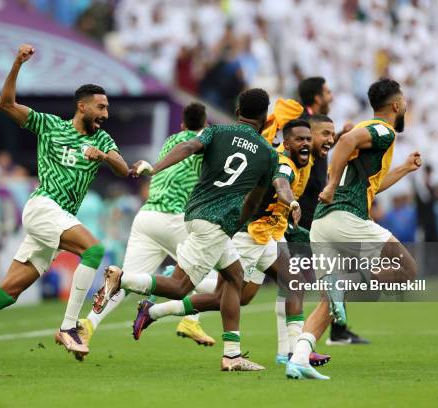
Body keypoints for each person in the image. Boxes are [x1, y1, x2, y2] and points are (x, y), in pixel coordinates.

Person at [0, 44, 130, 375]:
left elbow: (124, 169)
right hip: (43, 206)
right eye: (100, 107)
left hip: (59, 218)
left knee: (7, 293)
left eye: (106, 109)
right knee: (95, 250)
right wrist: (17, 64)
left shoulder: (102, 141)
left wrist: (103, 157)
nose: (105, 114)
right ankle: (70, 326)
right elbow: (5, 104)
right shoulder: (49, 125)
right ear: (82, 106)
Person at [96, 88, 278, 371]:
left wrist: (156, 168)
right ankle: (123, 279)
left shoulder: (215, 132)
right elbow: (254, 201)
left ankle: (232, 355)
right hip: (218, 222)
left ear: (238, 109)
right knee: (181, 286)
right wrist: (234, 225)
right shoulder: (268, 153)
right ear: (265, 117)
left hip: (194, 213)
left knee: (234, 277)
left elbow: (187, 147)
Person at [128, 119, 329, 366]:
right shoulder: (284, 165)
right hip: (249, 236)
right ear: (286, 143)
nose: (306, 143)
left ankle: (295, 354)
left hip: (267, 236)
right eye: (300, 139)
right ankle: (157, 306)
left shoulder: (297, 163)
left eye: (308, 139)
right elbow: (282, 184)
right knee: (226, 297)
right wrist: (293, 203)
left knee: (288, 284)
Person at [286, 78, 421, 380]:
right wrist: (332, 185)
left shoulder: (372, 138)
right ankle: (345, 282)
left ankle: (298, 358)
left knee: (327, 302)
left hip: (323, 222)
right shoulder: (382, 130)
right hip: (345, 217)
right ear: (396, 105)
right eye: (405, 105)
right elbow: (344, 142)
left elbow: (371, 186)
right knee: (408, 270)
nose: (406, 109)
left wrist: (403, 169)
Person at [78, 102, 217, 348]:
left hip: (147, 216)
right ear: (205, 124)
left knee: (125, 283)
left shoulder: (171, 140)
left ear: (182, 124)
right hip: (175, 218)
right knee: (210, 277)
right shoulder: (204, 142)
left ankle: (88, 325)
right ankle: (188, 316)